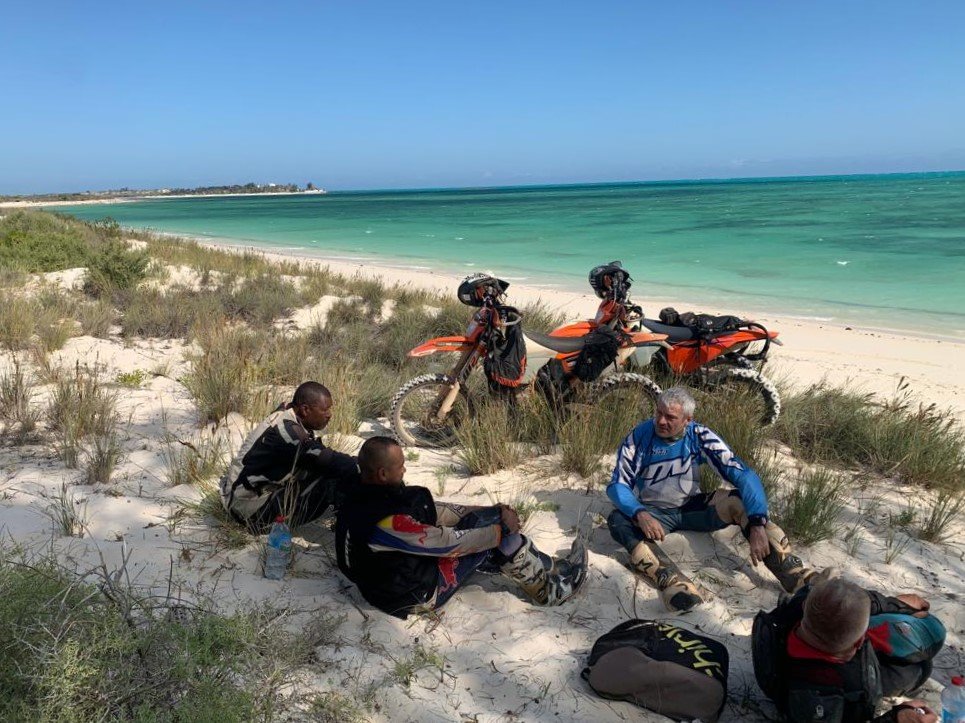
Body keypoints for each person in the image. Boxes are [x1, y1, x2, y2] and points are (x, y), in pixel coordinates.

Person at [606, 386, 812, 612]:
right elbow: (619, 484)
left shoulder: (700, 436)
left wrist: (757, 523)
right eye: (658, 413)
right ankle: (673, 582)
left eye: (670, 417)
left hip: (691, 508)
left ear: (687, 420)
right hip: (653, 512)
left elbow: (743, 475)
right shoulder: (639, 437)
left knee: (737, 502)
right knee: (618, 520)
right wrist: (640, 513)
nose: (661, 421)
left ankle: (795, 574)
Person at [335, 436, 587, 618]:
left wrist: (489, 511)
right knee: (496, 537)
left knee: (489, 524)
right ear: (382, 474)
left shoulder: (362, 493)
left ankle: (550, 566)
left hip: (387, 584)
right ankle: (550, 592)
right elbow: (447, 543)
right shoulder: (386, 521)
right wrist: (499, 528)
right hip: (414, 596)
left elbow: (437, 511)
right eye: (400, 465)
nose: (405, 468)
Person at [754, 576, 944, 723]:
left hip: (838, 648)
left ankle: (890, 614)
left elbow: (848, 597)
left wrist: (896, 604)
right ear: (860, 642)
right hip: (850, 678)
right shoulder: (817, 697)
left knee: (845, 603)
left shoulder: (800, 603)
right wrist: (896, 719)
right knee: (920, 668)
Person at [220, 381, 359, 532]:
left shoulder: (289, 412)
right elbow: (325, 458)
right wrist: (364, 464)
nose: (329, 414)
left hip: (246, 495)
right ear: (305, 410)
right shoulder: (287, 434)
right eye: (325, 410)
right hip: (248, 509)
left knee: (333, 468)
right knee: (333, 477)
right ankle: (348, 527)